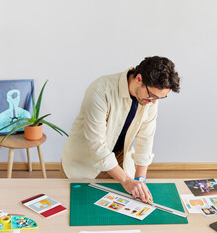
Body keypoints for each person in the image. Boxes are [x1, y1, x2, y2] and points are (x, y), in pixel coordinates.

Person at [61, 56, 180, 203]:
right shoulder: (100, 90)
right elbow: (97, 146)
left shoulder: (150, 99)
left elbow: (146, 138)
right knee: (79, 206)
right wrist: (126, 181)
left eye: (160, 98)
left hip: (120, 157)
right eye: (152, 96)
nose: (154, 102)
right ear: (139, 79)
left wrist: (139, 179)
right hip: (84, 162)